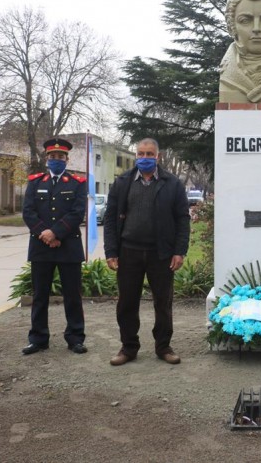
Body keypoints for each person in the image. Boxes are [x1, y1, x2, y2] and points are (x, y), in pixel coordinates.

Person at [103, 138, 190, 366]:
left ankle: (163, 347)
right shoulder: (122, 182)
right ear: (135, 155)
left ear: (157, 157)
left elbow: (183, 219)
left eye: (149, 154)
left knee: (163, 303)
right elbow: (111, 220)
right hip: (128, 252)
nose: (145, 158)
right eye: (141, 153)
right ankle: (128, 348)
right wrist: (111, 251)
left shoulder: (172, 183)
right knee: (127, 303)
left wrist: (179, 251)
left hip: (161, 253)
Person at [21, 138, 88, 355]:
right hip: (41, 247)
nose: (56, 160)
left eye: (60, 157)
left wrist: (56, 233)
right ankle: (38, 338)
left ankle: (75, 337)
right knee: (40, 296)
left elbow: (77, 212)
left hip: (68, 246)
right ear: (46, 159)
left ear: (67, 159)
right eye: (52, 157)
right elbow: (28, 212)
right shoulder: (35, 182)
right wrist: (46, 234)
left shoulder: (77, 183)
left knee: (72, 296)